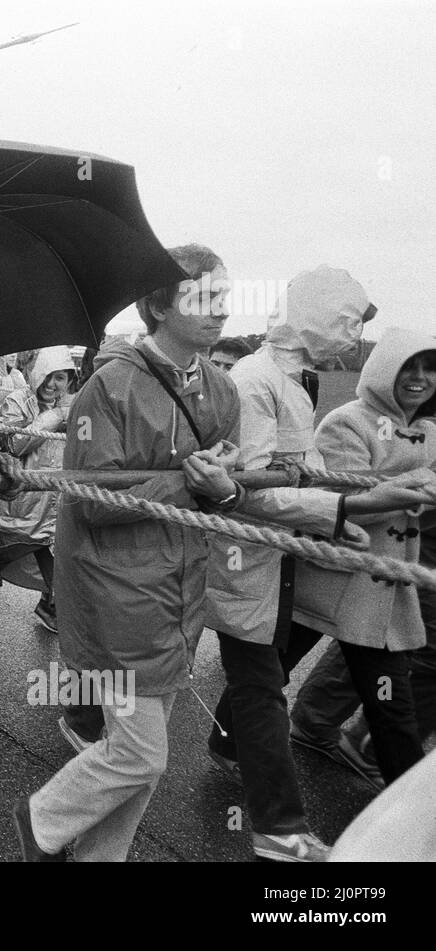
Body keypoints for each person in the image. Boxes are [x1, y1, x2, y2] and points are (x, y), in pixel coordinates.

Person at [15, 244, 245, 862]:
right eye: (202, 297)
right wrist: (187, 485)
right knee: (141, 755)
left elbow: (222, 496)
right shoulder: (107, 387)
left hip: (180, 594)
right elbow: (89, 501)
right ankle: (41, 820)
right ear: (157, 305)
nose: (220, 311)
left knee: (138, 761)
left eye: (224, 296)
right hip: (113, 595)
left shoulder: (223, 392)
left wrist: (227, 492)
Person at [200, 271, 436, 862]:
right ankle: (296, 826)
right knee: (263, 682)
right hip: (274, 560)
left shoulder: (296, 382)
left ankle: (269, 805)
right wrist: (349, 508)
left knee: (264, 681)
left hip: (294, 560)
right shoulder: (262, 382)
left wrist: (341, 507)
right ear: (315, 314)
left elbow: (290, 476)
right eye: (349, 321)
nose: (355, 338)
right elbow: (252, 489)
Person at [0, 345, 76, 646]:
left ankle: (57, 617)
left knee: (63, 578)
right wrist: (53, 417)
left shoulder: (75, 407)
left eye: (59, 378)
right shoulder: (17, 400)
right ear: (36, 374)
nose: (51, 384)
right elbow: (15, 446)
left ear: (69, 379)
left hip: (53, 510)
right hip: (15, 506)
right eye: (46, 376)